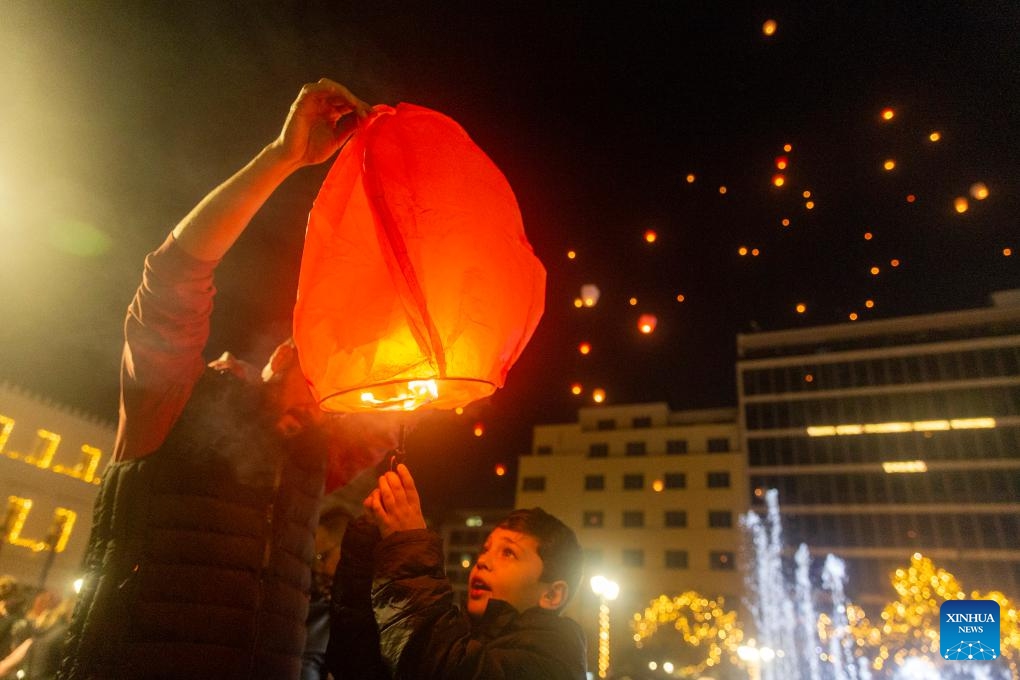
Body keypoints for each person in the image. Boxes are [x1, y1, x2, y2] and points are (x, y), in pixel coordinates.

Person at [57, 79, 394, 680]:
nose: (339, 365)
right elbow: (174, 275)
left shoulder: (308, 460)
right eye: (322, 344)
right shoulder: (174, 407)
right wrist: (282, 157)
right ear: (279, 357)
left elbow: (401, 398)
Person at [327, 464, 588, 679]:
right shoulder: (462, 635)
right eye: (484, 550)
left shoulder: (556, 655)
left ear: (553, 595)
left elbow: (443, 671)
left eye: (508, 553)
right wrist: (368, 546)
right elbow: (357, 662)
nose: (483, 562)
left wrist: (409, 545)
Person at [301, 506, 351, 680]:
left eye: (323, 557)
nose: (317, 565)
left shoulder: (350, 615)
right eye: (314, 557)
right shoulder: (300, 592)